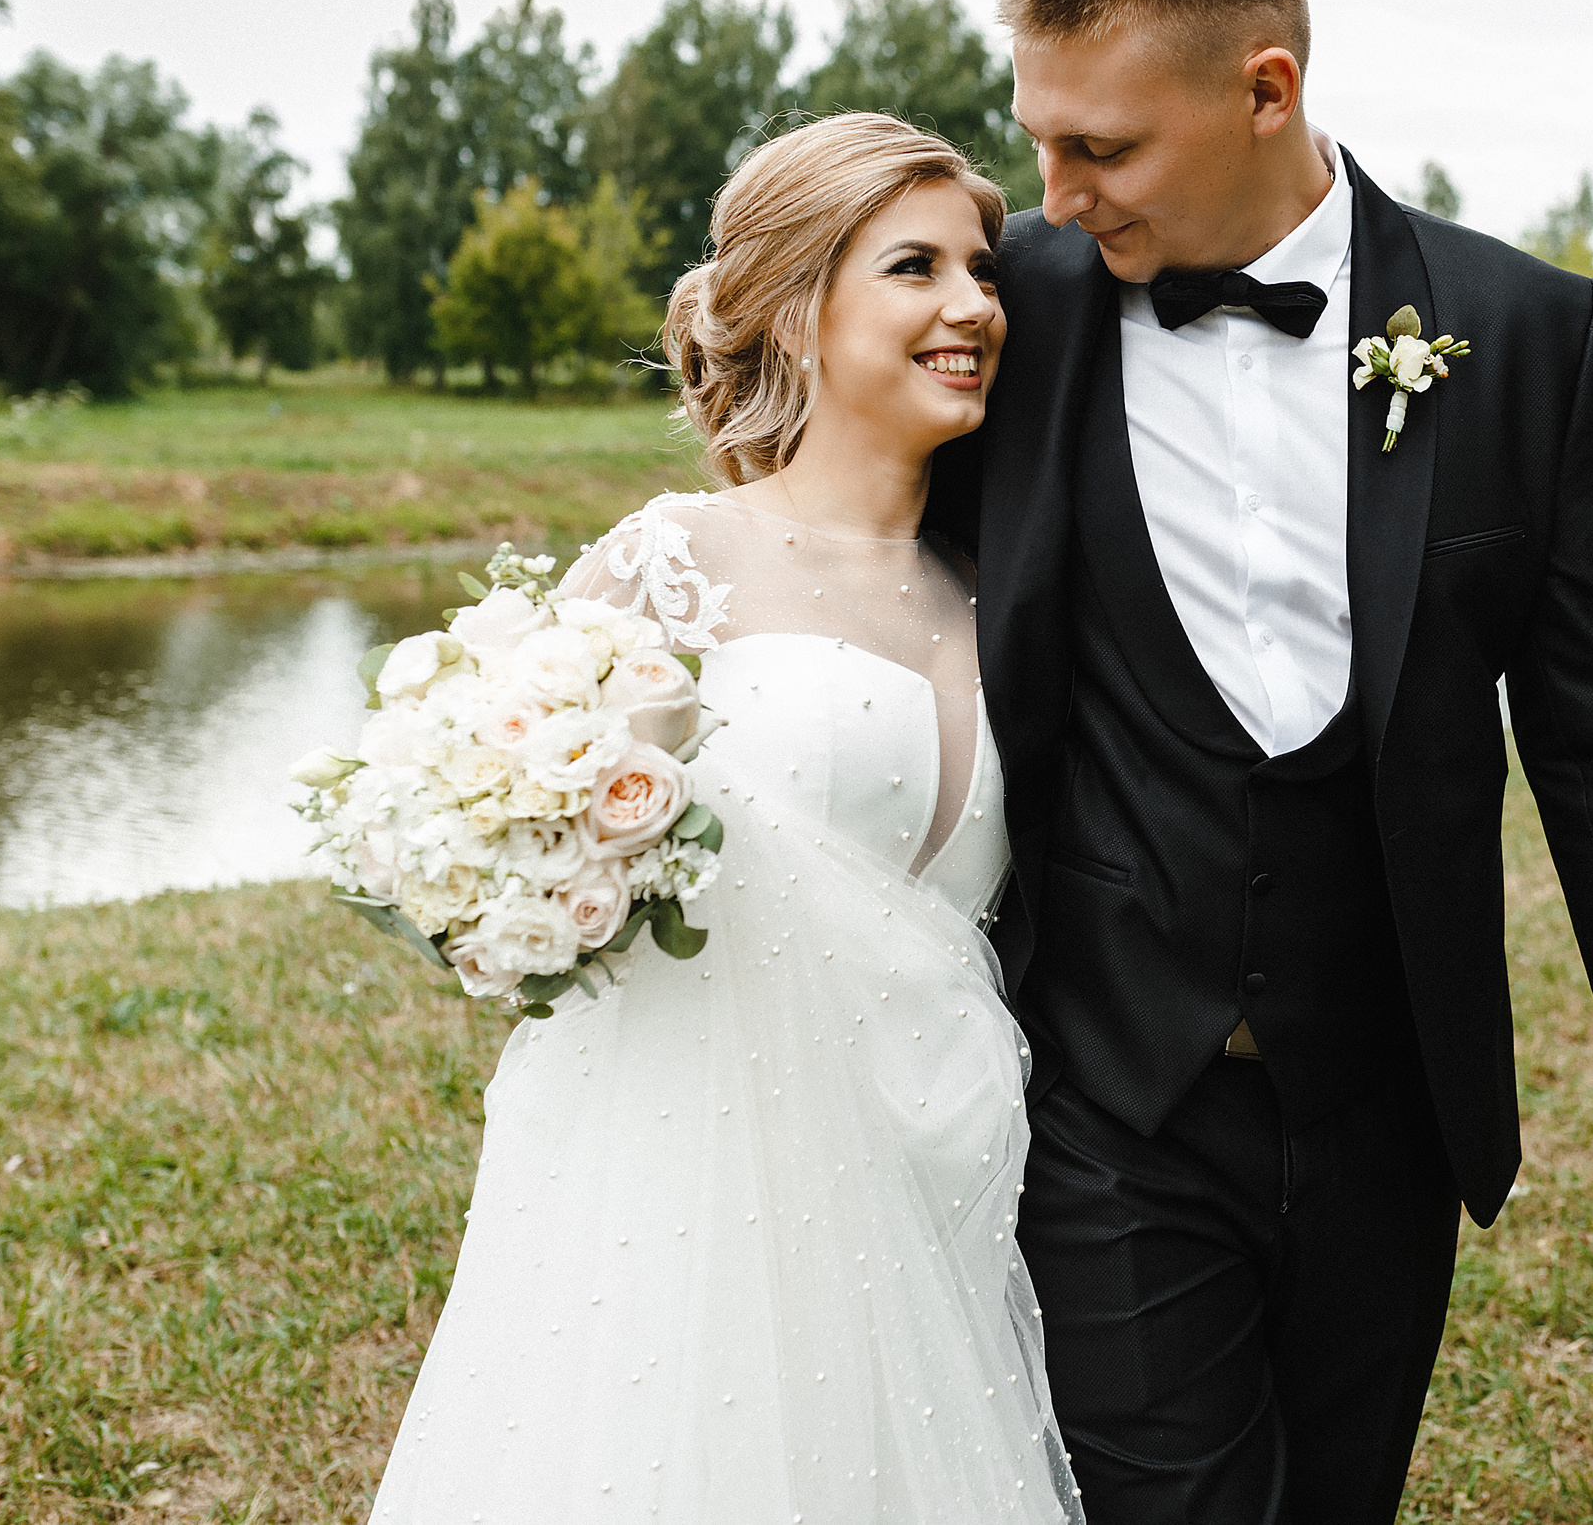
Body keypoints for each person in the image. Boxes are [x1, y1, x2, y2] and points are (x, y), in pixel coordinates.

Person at [921, 0, 1593, 1524]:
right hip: (1106, 1096)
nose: (1055, 192)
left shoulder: (1523, 337)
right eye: (1040, 139)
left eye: (1103, 147)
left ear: (1266, 88)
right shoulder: (1006, 311)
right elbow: (822, 522)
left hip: (1388, 1106)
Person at [367, 113, 1084, 1525]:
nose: (974, 307)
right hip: (701, 1202)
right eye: (915, 267)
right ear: (800, 309)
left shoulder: (1000, 593)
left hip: (935, 1170)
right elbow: (507, 827)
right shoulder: (677, 561)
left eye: (984, 270)